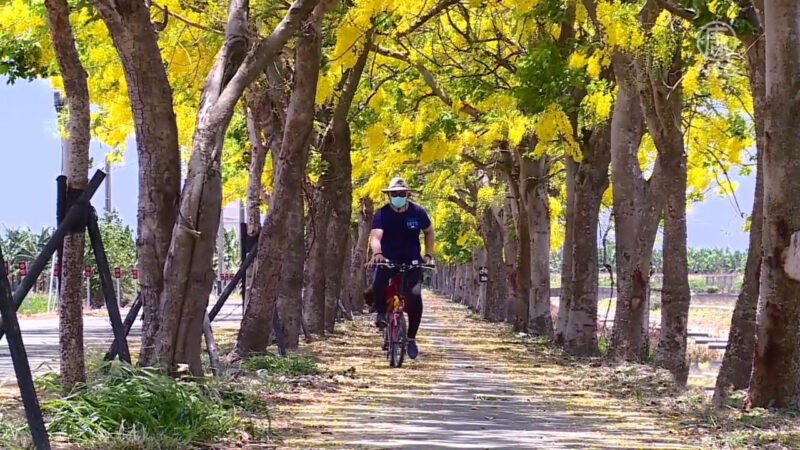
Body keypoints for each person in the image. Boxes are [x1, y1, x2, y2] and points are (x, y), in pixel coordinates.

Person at [367, 177, 434, 359]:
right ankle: (381, 312)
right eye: (394, 194)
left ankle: (411, 338)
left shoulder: (418, 212)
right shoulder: (382, 214)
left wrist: (428, 255)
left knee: (414, 297)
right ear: (389, 195)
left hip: (412, 259)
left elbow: (428, 231)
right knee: (380, 277)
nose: (398, 196)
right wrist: (378, 253)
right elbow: (375, 236)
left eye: (401, 193)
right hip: (388, 257)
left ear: (407, 194)